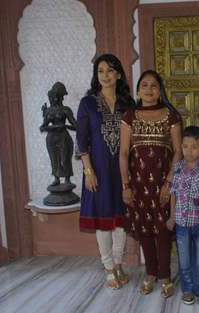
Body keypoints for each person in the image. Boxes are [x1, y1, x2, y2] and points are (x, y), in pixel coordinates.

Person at [119, 70, 182, 298]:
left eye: (153, 85)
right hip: (138, 185)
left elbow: (177, 153)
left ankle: (165, 275)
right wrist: (125, 185)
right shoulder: (129, 116)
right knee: (145, 231)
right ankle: (151, 274)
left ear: (160, 90)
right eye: (144, 85)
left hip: (164, 185)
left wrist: (169, 183)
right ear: (138, 90)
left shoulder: (171, 115)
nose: (148, 89)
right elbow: (124, 153)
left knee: (163, 230)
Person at [76, 53, 136, 289]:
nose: (105, 75)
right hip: (98, 170)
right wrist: (88, 171)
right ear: (96, 75)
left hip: (123, 170)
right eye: (101, 71)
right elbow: (81, 140)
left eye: (110, 70)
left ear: (118, 74)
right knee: (103, 221)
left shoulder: (128, 104)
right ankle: (108, 267)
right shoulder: (88, 103)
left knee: (120, 219)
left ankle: (119, 263)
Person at [166, 126, 199, 306]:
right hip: (181, 223)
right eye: (185, 146)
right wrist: (172, 217)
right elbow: (173, 194)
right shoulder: (177, 168)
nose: (189, 151)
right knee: (184, 258)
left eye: (194, 147)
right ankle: (187, 289)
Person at [40, 82, 76, 186]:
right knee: (54, 159)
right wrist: (49, 125)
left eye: (59, 97)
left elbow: (76, 126)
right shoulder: (49, 111)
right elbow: (43, 127)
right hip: (51, 138)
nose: (57, 99)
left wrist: (65, 126)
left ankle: (67, 179)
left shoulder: (65, 110)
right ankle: (56, 178)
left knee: (65, 158)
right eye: (55, 97)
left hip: (63, 137)